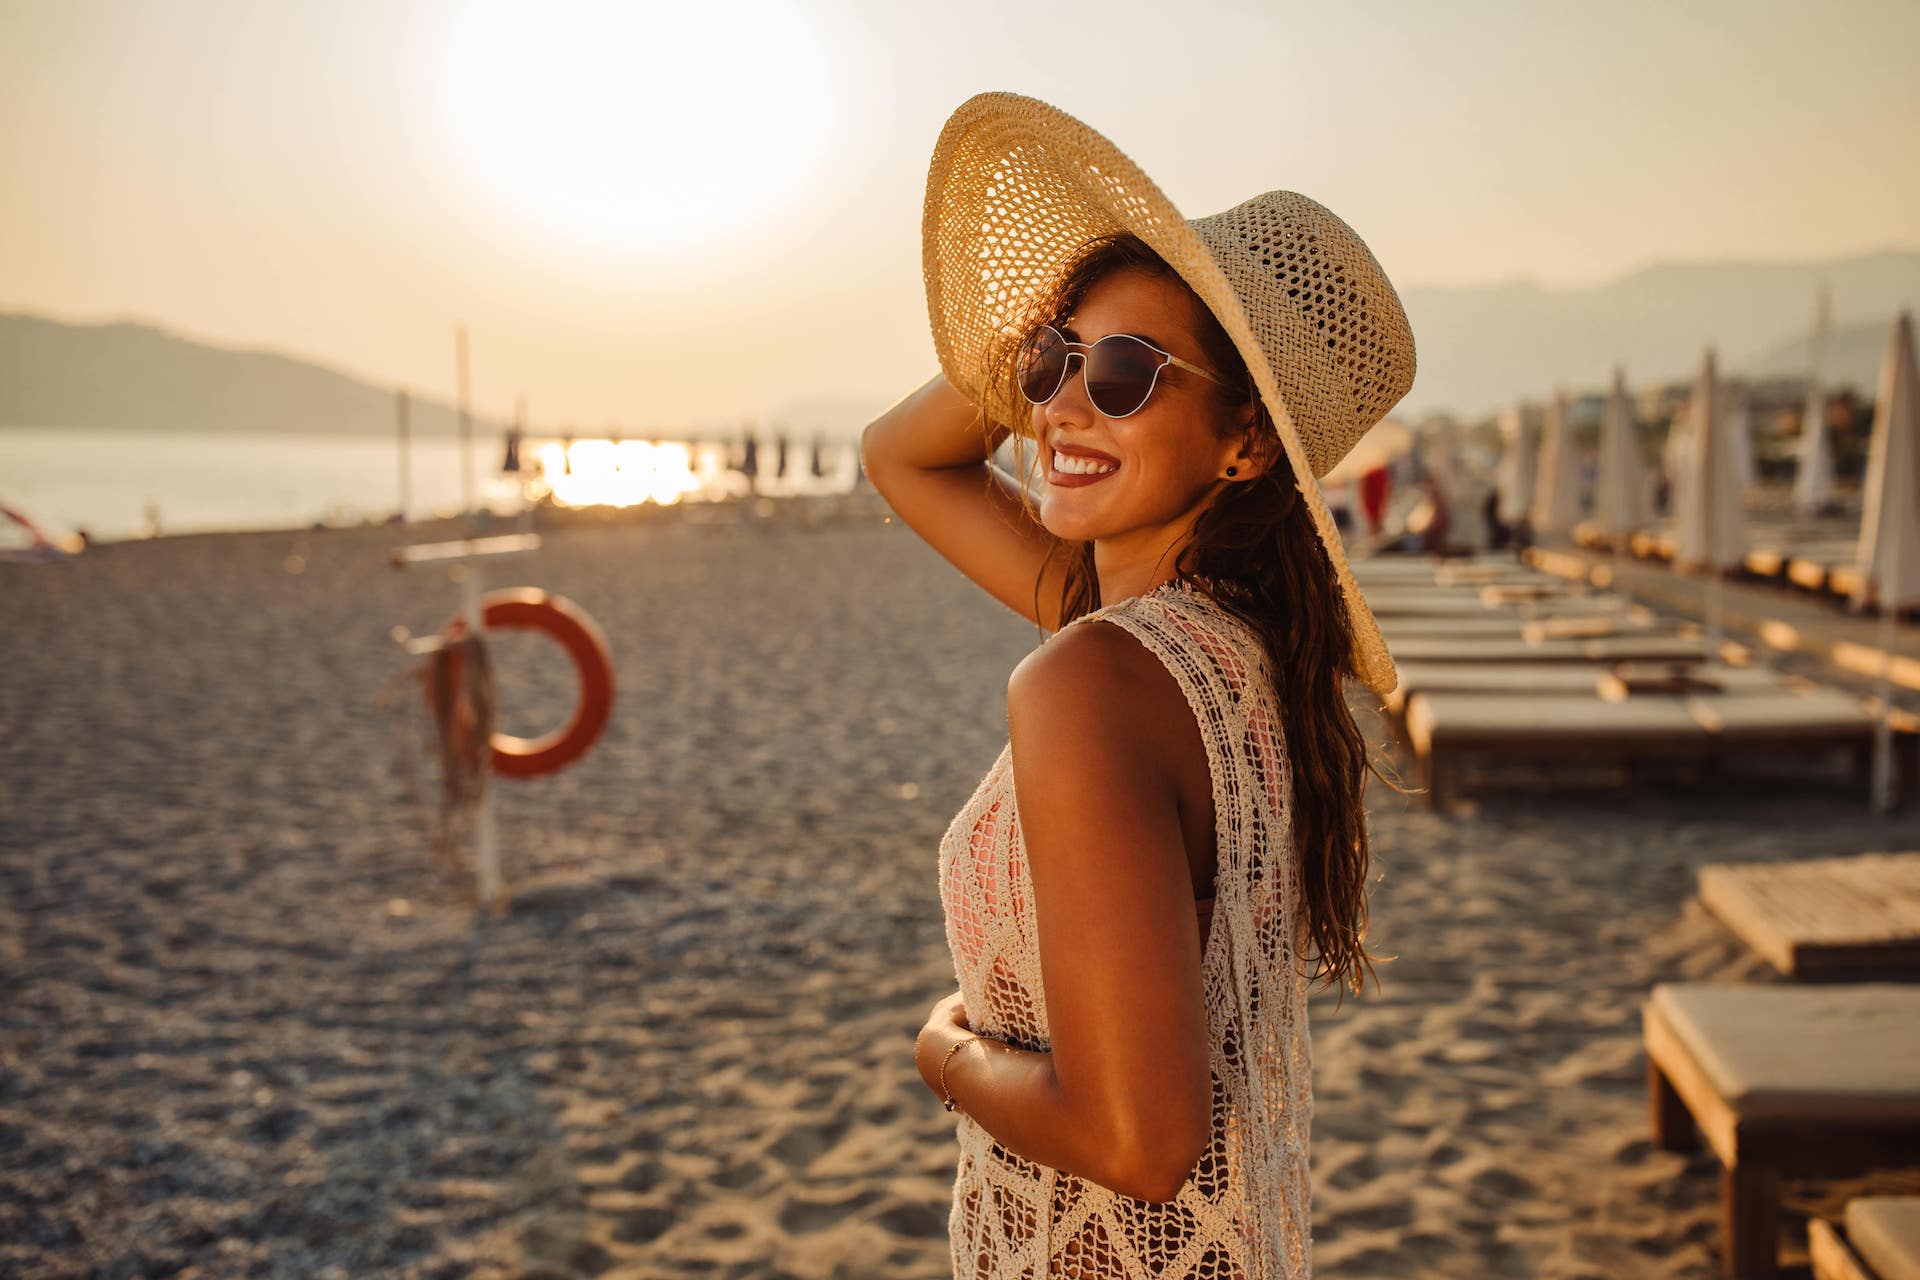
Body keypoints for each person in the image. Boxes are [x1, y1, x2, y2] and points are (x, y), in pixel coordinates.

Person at [861, 93, 1415, 1278]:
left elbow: (1138, 1139)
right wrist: (1054, 327)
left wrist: (941, 1050)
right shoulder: (1233, 649)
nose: (1059, 403)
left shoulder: (1101, 675)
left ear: (1246, 442)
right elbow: (900, 455)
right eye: (1057, 361)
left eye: (1125, 372)